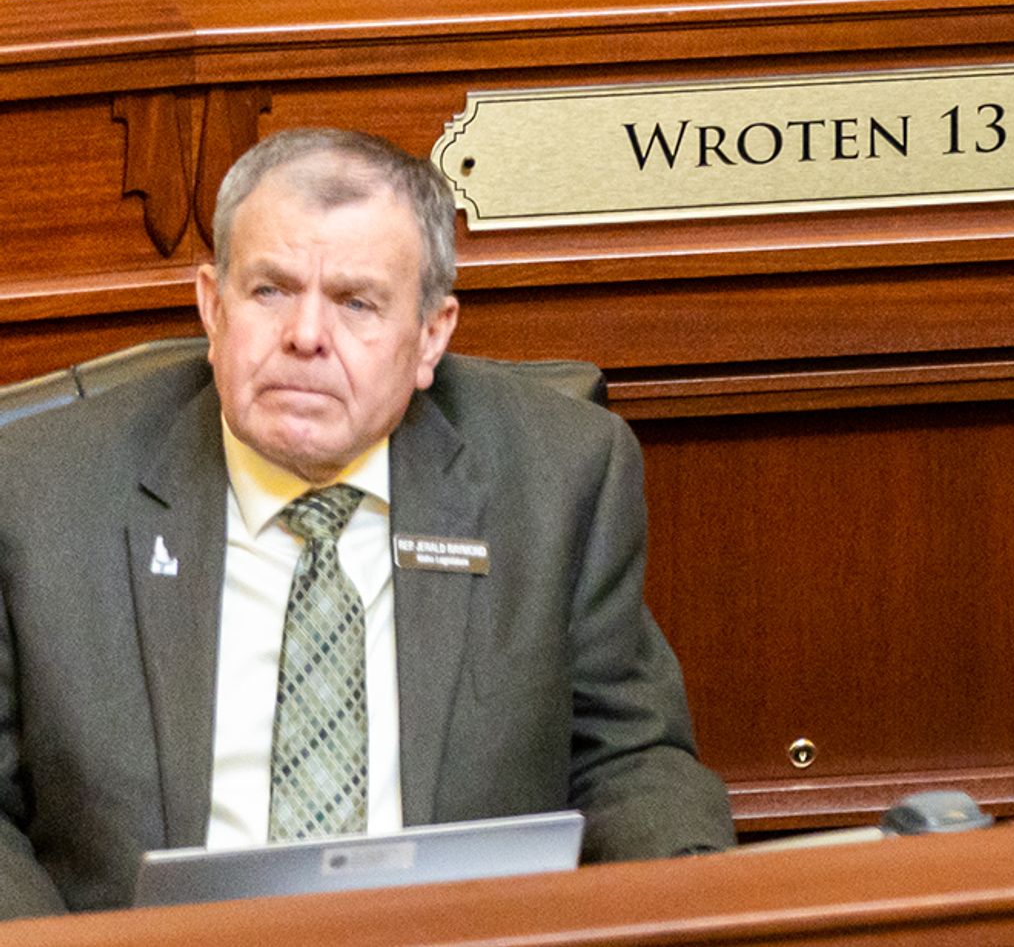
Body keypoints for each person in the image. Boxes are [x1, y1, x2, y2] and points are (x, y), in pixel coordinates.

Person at [0, 131, 730, 914]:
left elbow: (629, 758)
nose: (307, 335)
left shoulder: (557, 478)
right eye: (271, 290)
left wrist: (709, 905)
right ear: (213, 306)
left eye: (357, 302)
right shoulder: (41, 491)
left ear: (431, 335)